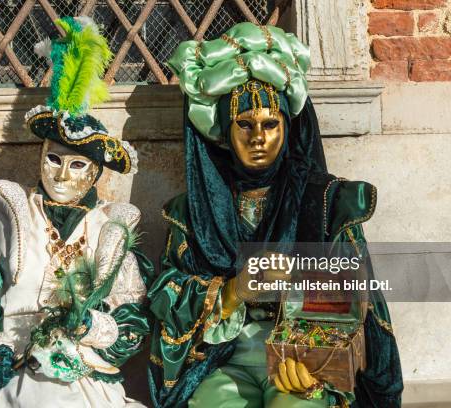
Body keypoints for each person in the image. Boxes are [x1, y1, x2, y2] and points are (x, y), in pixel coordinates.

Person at [147, 22, 403, 407]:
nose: (258, 138)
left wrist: (314, 354)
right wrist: (232, 291)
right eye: (244, 125)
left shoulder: (327, 204)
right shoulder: (191, 214)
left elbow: (357, 296)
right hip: (224, 361)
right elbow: (167, 297)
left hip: (302, 362)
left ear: (288, 125)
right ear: (223, 132)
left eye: (271, 124)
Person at [0, 17, 151, 408]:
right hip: (7, 370)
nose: (61, 174)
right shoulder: (6, 223)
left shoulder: (110, 231)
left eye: (77, 165)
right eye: (54, 159)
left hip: (75, 373)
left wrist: (90, 325)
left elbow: (131, 321)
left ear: (95, 173)